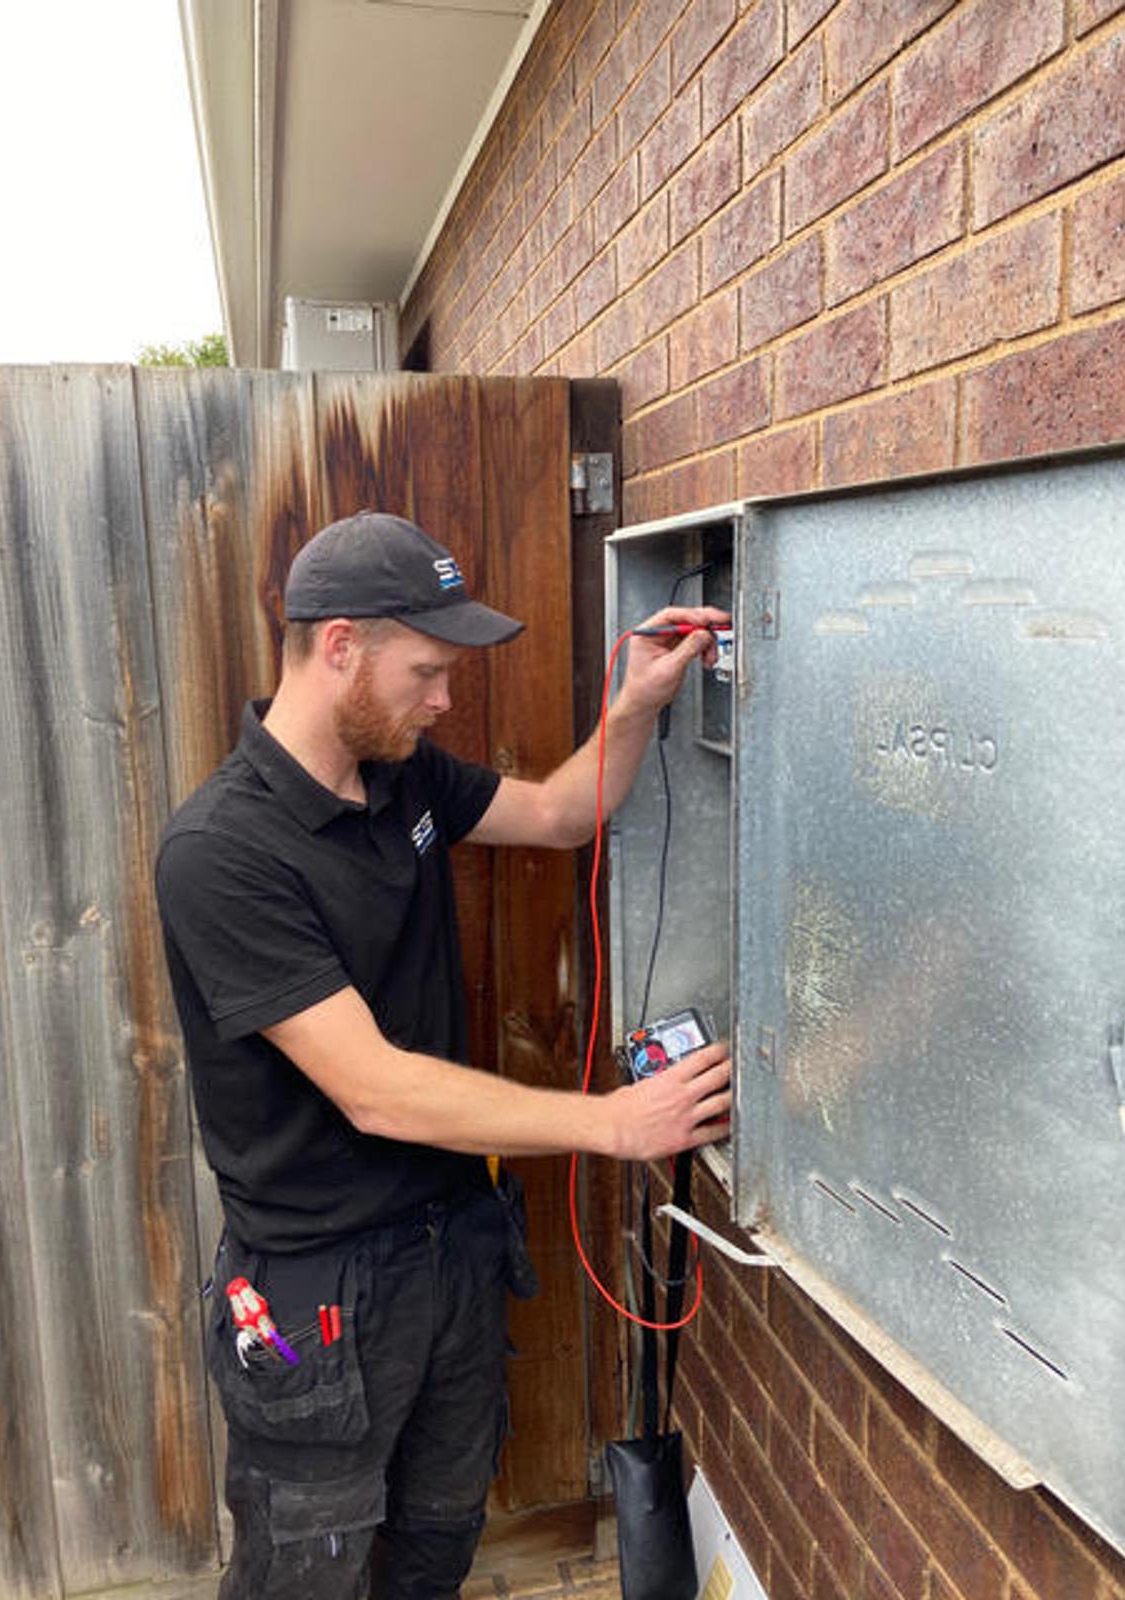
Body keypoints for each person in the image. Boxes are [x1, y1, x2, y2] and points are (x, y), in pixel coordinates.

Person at [154, 509, 732, 1600]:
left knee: (434, 1544)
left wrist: (640, 701)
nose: (446, 698)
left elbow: (564, 813)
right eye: (426, 670)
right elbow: (371, 1090)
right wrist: (613, 1122)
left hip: (452, 1245)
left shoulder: (402, 779)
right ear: (340, 647)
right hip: (320, 1288)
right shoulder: (222, 850)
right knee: (305, 1573)